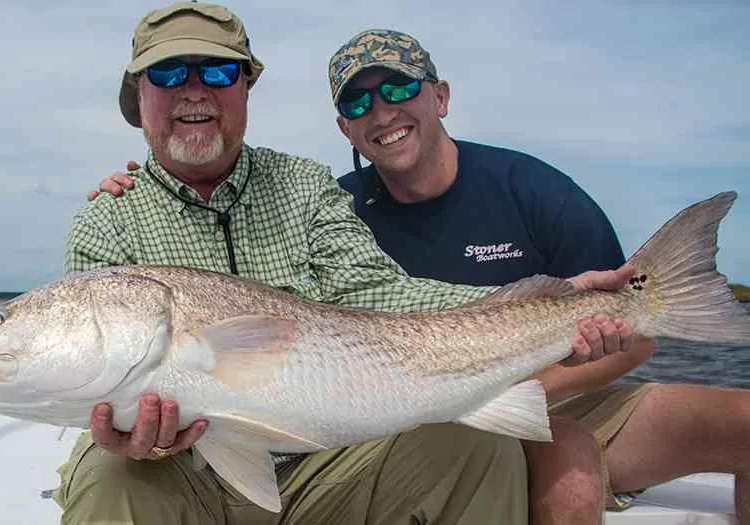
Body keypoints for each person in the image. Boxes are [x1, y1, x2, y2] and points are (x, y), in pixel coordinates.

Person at [71, 3, 637, 525]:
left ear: (246, 87)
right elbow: (91, 382)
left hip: (323, 467)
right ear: (139, 95)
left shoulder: (305, 186)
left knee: (478, 444)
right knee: (109, 475)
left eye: (218, 72)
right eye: (168, 73)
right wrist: (131, 434)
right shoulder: (107, 220)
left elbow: (381, 293)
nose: (194, 91)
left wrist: (561, 302)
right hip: (182, 473)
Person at [326, 29, 750, 524]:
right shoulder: (334, 215)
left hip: (558, 398)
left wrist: (511, 391)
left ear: (440, 97)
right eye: (358, 103)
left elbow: (636, 337)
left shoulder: (532, 189)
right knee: (570, 469)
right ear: (345, 128)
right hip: (411, 430)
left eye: (399, 88)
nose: (382, 113)